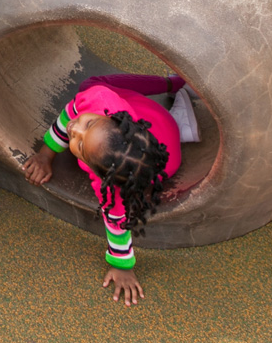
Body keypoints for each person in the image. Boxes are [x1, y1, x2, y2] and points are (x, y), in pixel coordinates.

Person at [22, 73, 185, 307]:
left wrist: (122, 267)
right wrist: (45, 154)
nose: (74, 128)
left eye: (79, 144)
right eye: (88, 124)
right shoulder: (98, 99)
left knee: (89, 92)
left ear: (100, 175)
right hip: (157, 124)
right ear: (113, 117)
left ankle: (172, 87)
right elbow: (69, 114)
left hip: (163, 157)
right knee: (90, 87)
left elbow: (117, 220)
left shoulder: (108, 182)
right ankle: (169, 84)